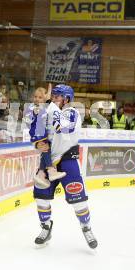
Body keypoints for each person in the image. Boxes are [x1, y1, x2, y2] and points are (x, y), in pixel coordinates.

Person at [33, 84, 98, 249]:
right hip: (47, 162)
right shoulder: (48, 111)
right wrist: (37, 144)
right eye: (53, 96)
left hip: (68, 161)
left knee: (79, 200)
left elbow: (62, 127)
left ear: (67, 99)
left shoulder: (74, 113)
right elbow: (39, 132)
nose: (54, 98)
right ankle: (46, 228)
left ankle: (86, 228)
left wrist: (48, 103)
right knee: (41, 196)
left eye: (57, 96)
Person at [27, 85, 66, 189]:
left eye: (40, 97)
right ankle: (50, 170)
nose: (37, 99)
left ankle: (40, 173)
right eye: (35, 97)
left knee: (46, 151)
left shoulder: (44, 107)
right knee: (46, 150)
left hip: (41, 133)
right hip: (38, 133)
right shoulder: (34, 108)